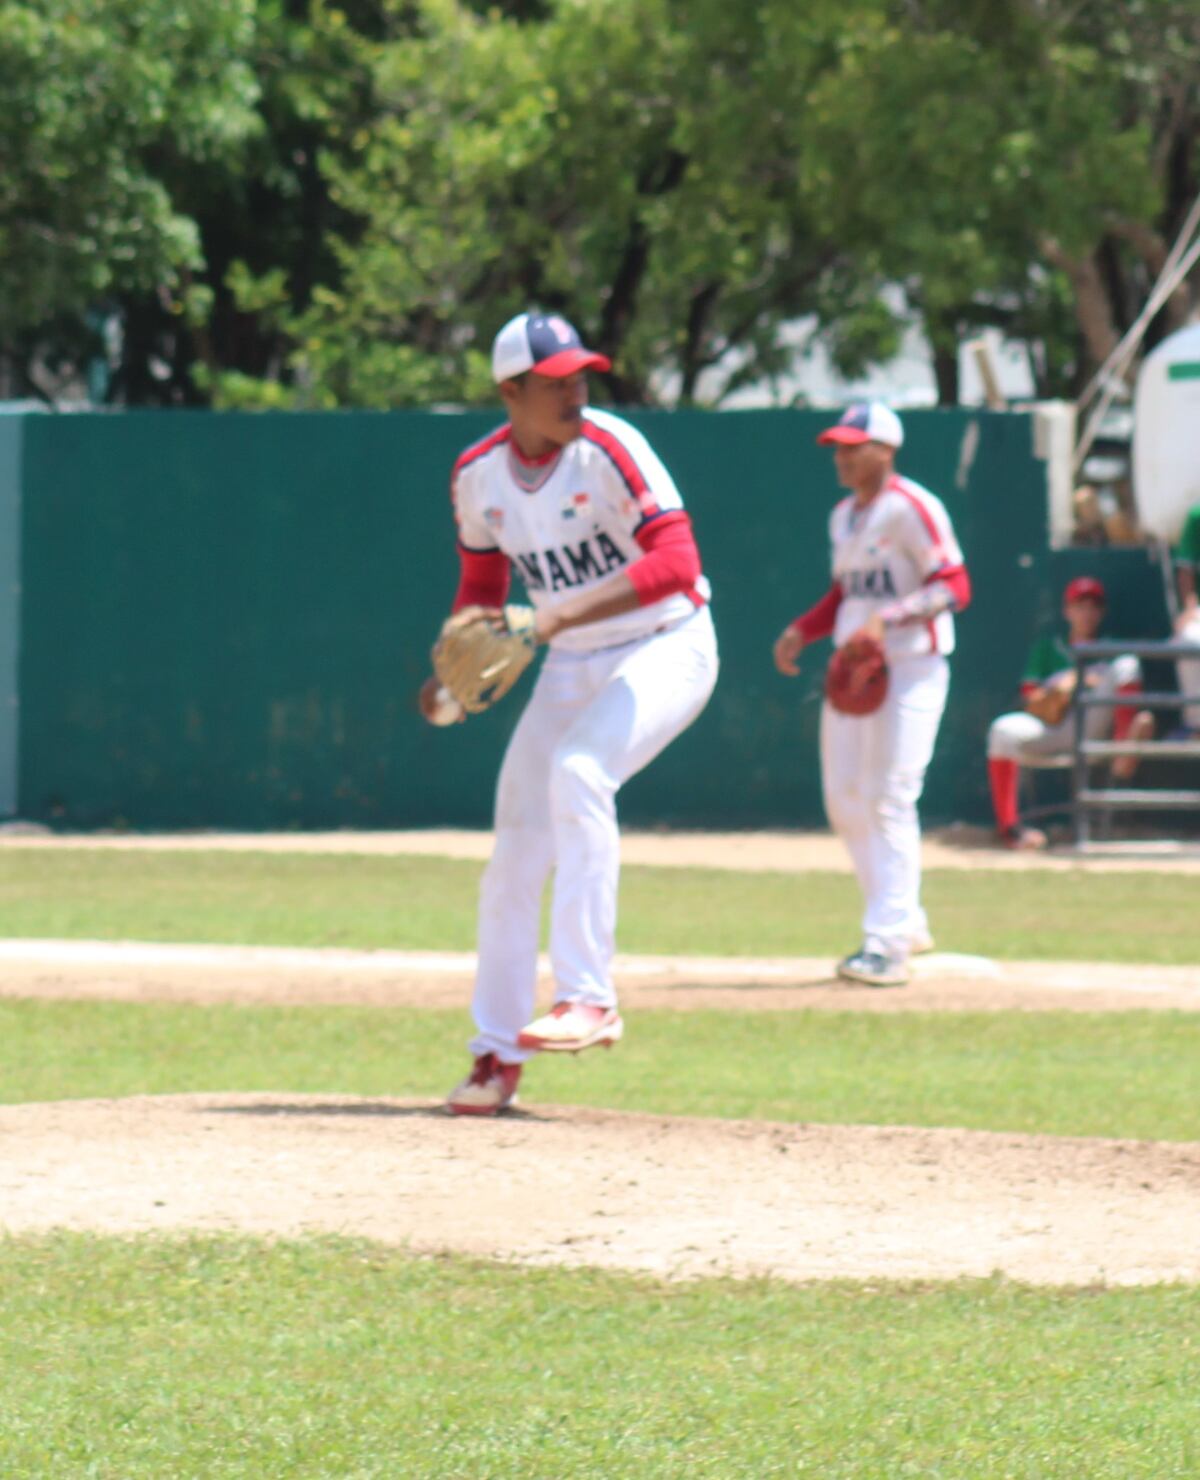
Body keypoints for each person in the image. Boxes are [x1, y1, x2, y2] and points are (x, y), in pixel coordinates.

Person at [419, 311, 719, 1115]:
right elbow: (482, 593)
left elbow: (678, 563)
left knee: (582, 772)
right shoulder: (478, 476)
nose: (576, 392)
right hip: (573, 663)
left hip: (669, 642)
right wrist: (451, 672)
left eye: (581, 375)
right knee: (515, 854)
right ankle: (495, 1056)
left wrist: (549, 619)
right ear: (510, 391)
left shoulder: (610, 446)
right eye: (556, 383)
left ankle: (591, 996)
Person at [771, 402, 971, 987]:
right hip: (855, 669)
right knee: (844, 798)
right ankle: (903, 920)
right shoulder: (843, 517)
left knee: (888, 796)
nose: (842, 455)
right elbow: (844, 594)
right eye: (838, 446)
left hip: (911, 666)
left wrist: (891, 618)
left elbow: (956, 583)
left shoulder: (913, 507)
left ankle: (886, 943)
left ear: (886, 449)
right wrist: (802, 630)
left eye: (854, 446)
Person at [986, 575, 1155, 849]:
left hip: (1093, 726)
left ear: (1102, 612)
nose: (1086, 613)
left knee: (1127, 664)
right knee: (1002, 730)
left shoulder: (1108, 652)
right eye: (1080, 606)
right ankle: (1010, 831)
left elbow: (1119, 676)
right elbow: (1030, 697)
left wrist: (1088, 681)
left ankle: (1125, 747)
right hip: (1055, 726)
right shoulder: (1048, 648)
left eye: (1093, 606)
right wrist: (1062, 689)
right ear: (1067, 611)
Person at [1171, 504, 1200, 735]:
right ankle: (1196, 727)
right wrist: (1189, 609)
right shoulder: (1196, 515)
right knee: (1189, 638)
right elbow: (1186, 571)